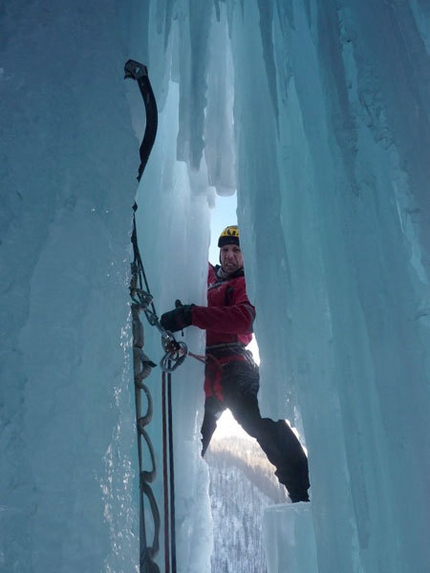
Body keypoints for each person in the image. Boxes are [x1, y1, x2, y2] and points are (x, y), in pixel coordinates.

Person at [160, 225, 310, 502]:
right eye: (226, 250)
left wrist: (191, 315)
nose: (229, 256)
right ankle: (178, 501)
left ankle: (304, 493)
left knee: (262, 423)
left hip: (233, 366)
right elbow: (181, 243)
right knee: (192, 445)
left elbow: (244, 317)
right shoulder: (209, 279)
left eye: (236, 251)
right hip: (203, 374)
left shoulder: (244, 284)